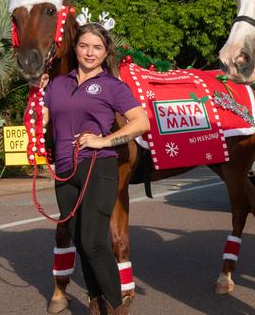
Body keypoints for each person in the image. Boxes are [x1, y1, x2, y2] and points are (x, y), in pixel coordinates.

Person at [36, 20, 150, 314]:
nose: (89, 52)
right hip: (64, 172)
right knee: (79, 240)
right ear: (74, 48)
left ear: (105, 51)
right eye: (84, 45)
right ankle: (97, 303)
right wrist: (36, 92)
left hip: (97, 168)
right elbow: (42, 120)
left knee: (94, 241)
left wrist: (105, 141)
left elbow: (141, 122)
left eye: (97, 47)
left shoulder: (112, 86)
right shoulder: (57, 84)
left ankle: (116, 306)